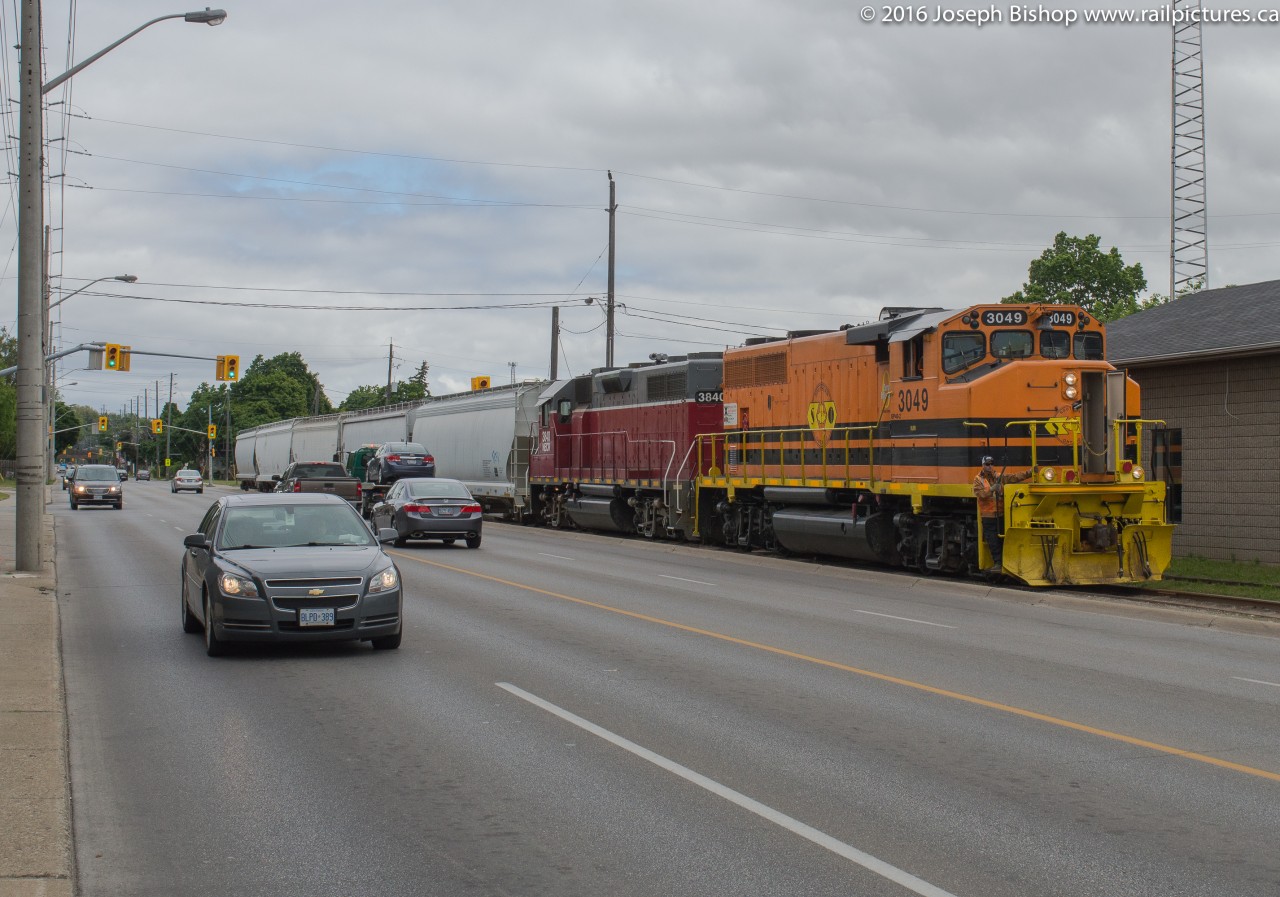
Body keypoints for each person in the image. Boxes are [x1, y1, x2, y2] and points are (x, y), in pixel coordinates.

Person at [973, 455, 1037, 571]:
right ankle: (998, 563)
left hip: (1001, 514)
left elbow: (1013, 477)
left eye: (991, 464)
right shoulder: (978, 479)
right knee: (993, 541)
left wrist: (1029, 473)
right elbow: (980, 494)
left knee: (1003, 540)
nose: (990, 466)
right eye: (987, 464)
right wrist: (992, 489)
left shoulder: (998, 476)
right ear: (983, 465)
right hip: (988, 516)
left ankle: (1007, 563)